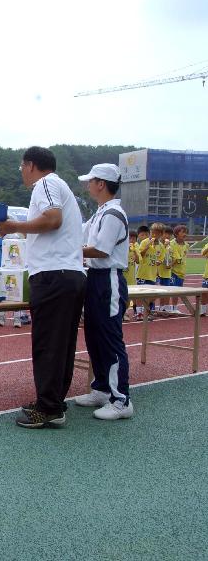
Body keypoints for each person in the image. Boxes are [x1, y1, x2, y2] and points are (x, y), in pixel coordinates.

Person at [0, 146, 85, 429]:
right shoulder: (59, 185)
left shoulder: (45, 183)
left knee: (48, 345)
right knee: (61, 345)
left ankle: (48, 408)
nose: (21, 171)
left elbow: (52, 219)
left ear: (31, 165)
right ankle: (53, 402)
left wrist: (13, 225)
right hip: (67, 274)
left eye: (22, 166)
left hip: (53, 275)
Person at [74, 163, 133, 420]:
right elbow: (80, 235)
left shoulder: (112, 214)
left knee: (109, 339)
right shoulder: (101, 212)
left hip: (108, 279)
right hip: (96, 278)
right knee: (94, 337)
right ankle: (101, 388)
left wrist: (69, 250)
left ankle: (121, 400)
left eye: (91, 180)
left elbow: (100, 250)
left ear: (101, 184)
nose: (88, 184)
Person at [135, 222, 163, 321]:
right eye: (153, 233)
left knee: (152, 295)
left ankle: (147, 311)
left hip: (153, 274)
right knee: (140, 294)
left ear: (161, 234)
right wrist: (147, 246)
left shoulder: (161, 246)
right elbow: (140, 255)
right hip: (142, 273)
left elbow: (161, 258)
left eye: (157, 233)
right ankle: (139, 313)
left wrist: (160, 261)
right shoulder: (144, 242)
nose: (154, 235)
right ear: (150, 232)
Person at [167, 225, 189, 316]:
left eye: (185, 232)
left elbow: (183, 258)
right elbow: (173, 257)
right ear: (176, 233)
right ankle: (167, 308)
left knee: (178, 291)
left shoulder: (187, 245)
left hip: (181, 271)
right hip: (173, 271)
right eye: (182, 232)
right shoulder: (171, 243)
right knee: (173, 290)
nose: (185, 234)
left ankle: (174, 308)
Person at [122, 230, 141, 321]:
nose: (131, 240)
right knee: (121, 294)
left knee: (130, 296)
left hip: (131, 276)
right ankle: (123, 313)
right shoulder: (122, 246)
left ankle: (127, 312)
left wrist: (134, 252)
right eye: (130, 238)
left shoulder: (136, 247)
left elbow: (138, 261)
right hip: (122, 275)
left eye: (134, 238)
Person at [156, 225, 174, 316]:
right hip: (157, 272)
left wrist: (170, 263)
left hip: (167, 272)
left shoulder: (170, 246)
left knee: (166, 291)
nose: (168, 236)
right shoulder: (158, 245)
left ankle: (164, 308)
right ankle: (158, 308)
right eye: (166, 234)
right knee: (157, 292)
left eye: (170, 234)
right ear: (162, 234)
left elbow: (172, 258)